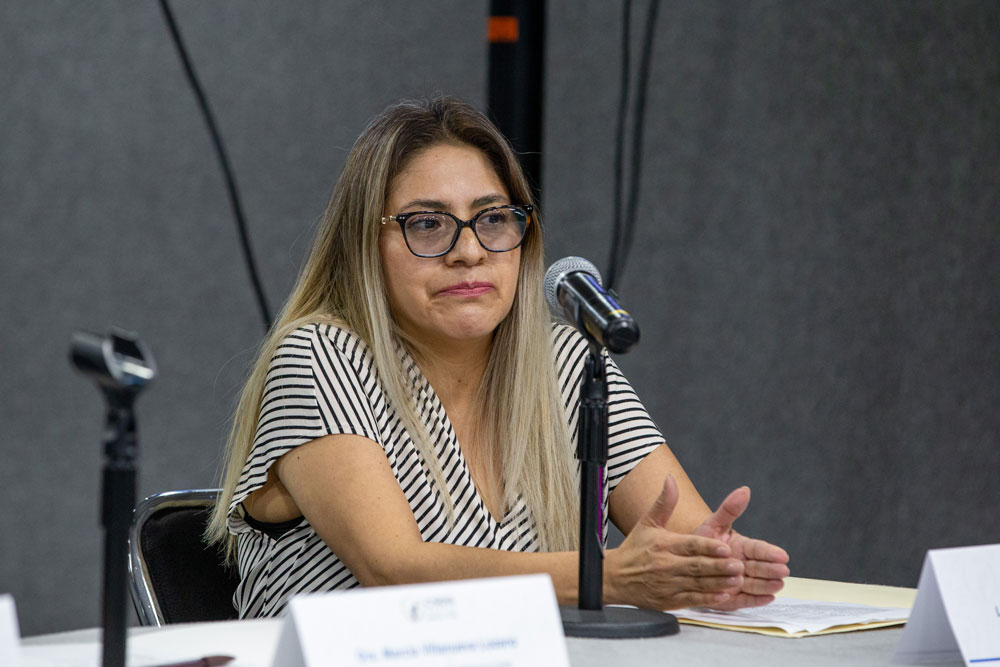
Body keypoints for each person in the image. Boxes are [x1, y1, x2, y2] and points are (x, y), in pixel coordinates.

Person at [206, 96, 789, 619]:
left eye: (492, 219)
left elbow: (684, 540)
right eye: (427, 224)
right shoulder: (320, 356)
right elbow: (393, 570)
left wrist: (715, 567)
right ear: (365, 244)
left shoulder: (564, 362)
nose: (468, 251)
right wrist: (605, 578)